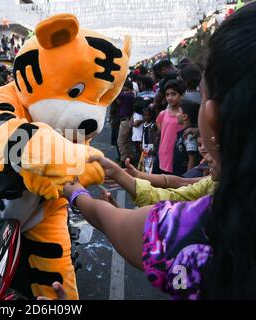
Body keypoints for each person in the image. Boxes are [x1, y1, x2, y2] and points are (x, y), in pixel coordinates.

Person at [59, 3, 256, 299]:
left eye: (199, 94)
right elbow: (182, 187)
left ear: (213, 116)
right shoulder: (213, 190)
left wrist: (74, 193)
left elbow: (125, 219)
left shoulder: (198, 228)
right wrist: (128, 175)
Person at [156, 79, 185, 174]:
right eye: (167, 94)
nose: (170, 97)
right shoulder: (162, 114)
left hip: (179, 155)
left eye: (173, 94)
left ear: (181, 95)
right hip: (164, 154)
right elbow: (161, 131)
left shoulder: (184, 114)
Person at [172, 100, 200, 176]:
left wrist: (187, 177)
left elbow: (192, 158)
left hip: (184, 177)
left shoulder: (189, 134)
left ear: (184, 116)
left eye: (178, 112)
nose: (176, 114)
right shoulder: (184, 132)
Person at [116, 80, 135, 165]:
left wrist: (118, 87)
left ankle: (124, 159)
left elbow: (116, 94)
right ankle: (130, 158)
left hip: (125, 121)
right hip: (127, 120)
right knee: (127, 141)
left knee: (120, 141)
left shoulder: (128, 96)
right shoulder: (130, 95)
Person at [138, 107, 157, 173]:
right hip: (144, 145)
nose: (146, 117)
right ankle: (145, 173)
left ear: (152, 115)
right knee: (145, 161)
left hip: (150, 146)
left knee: (150, 162)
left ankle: (149, 175)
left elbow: (154, 137)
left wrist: (154, 148)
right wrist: (141, 143)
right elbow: (143, 134)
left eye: (148, 115)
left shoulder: (153, 125)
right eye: (145, 115)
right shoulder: (144, 124)